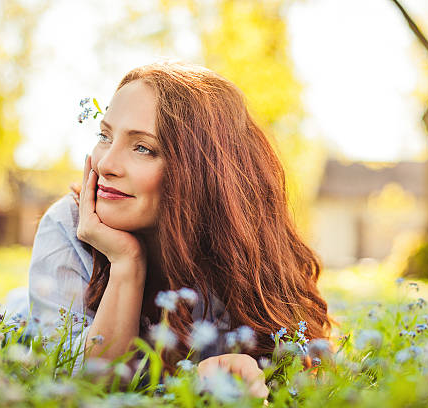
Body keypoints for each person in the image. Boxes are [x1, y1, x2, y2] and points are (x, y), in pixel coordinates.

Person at [27, 61, 331, 399]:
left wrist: (247, 374)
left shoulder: (241, 253)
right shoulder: (69, 225)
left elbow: (302, 373)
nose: (106, 164)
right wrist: (127, 264)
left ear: (200, 172)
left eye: (142, 147)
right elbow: (81, 391)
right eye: (105, 136)